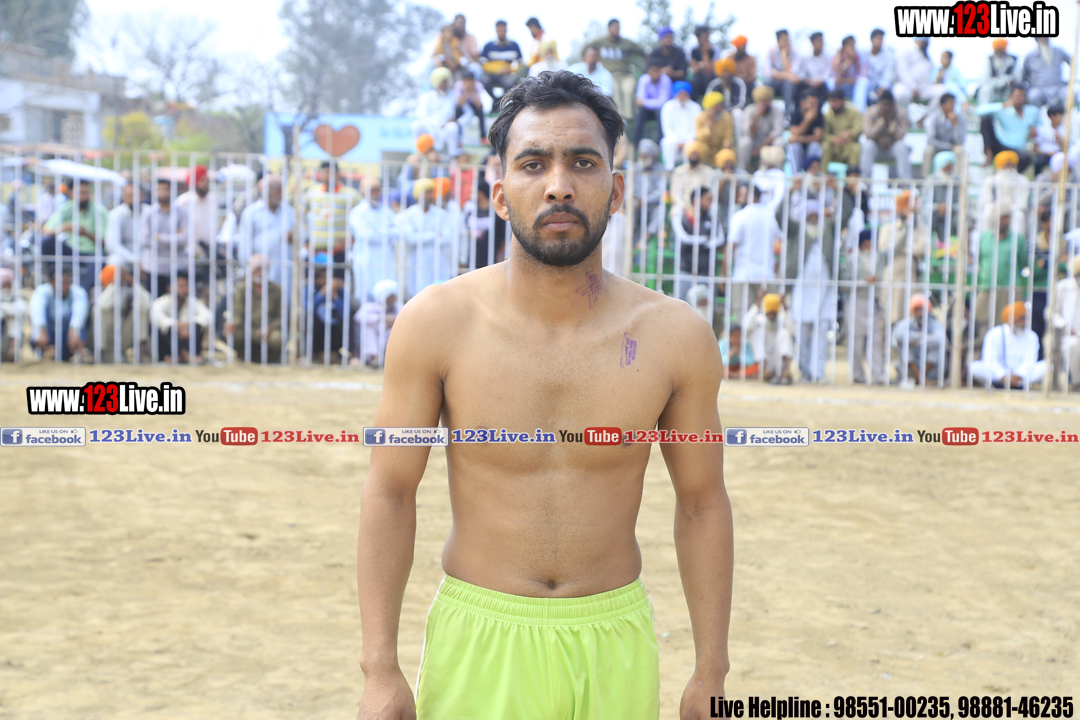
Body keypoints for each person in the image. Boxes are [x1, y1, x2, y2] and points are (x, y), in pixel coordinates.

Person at [356, 70, 732, 720]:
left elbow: (701, 503)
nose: (559, 184)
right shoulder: (436, 323)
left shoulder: (675, 337)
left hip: (613, 640)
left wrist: (711, 671)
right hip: (481, 638)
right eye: (534, 164)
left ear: (616, 191)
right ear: (501, 195)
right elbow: (390, 490)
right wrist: (379, 669)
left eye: (582, 162)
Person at [789, 200, 836, 382]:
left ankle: (818, 373)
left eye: (816, 214)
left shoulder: (828, 229)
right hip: (802, 290)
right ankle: (805, 372)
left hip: (824, 290)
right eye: (809, 214)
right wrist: (790, 192)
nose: (813, 218)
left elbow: (846, 214)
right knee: (801, 334)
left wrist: (840, 191)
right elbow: (779, 216)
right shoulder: (796, 231)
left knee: (822, 333)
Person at [974, 205, 1027, 355]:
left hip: (1011, 289)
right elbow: (979, 261)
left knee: (1013, 327)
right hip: (987, 288)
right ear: (994, 219)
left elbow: (1023, 264)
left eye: (1007, 217)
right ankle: (983, 357)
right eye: (1003, 217)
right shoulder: (984, 238)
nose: (1006, 221)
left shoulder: (1018, 239)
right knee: (982, 324)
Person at [726, 182, 783, 324]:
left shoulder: (740, 216)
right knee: (768, 320)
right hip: (767, 275)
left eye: (742, 195)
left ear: (752, 196)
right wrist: (777, 264)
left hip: (743, 275)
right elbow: (783, 242)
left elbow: (731, 246)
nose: (739, 198)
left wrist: (723, 273)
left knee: (742, 320)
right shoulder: (770, 215)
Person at [41, 180, 109, 292]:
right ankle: (54, 280)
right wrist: (62, 228)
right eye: (80, 193)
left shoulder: (99, 211)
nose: (83, 196)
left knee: (100, 260)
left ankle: (81, 292)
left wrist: (86, 234)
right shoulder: (66, 208)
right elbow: (45, 230)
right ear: (71, 193)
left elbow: (105, 242)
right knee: (46, 242)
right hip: (71, 250)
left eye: (85, 192)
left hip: (92, 252)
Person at [399, 177, 460, 298]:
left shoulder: (441, 214)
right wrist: (433, 234)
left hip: (438, 261)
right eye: (427, 192)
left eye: (431, 192)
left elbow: (446, 239)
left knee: (440, 295)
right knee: (417, 296)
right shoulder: (408, 215)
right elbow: (411, 239)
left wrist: (421, 236)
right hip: (416, 261)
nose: (430, 196)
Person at [238, 176, 295, 302]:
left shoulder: (290, 211)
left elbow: (302, 237)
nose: (281, 193)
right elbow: (244, 244)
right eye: (278, 190)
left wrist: (293, 236)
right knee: (264, 304)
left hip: (287, 268)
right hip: (262, 270)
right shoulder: (251, 212)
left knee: (286, 302)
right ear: (268, 192)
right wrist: (249, 266)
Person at [842, 228, 888, 384]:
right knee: (856, 342)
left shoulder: (880, 258)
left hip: (873, 302)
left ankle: (878, 375)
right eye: (866, 244)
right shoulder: (851, 260)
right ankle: (858, 374)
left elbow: (896, 248)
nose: (869, 247)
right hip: (856, 303)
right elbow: (844, 285)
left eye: (872, 244)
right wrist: (863, 282)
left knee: (876, 341)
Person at [875, 191, 927, 324]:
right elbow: (885, 247)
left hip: (912, 277)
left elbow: (922, 248)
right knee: (890, 315)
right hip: (892, 276)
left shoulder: (921, 229)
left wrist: (901, 248)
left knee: (910, 315)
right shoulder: (889, 228)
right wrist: (909, 246)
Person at [969, 302, 1046, 387]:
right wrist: (1002, 375)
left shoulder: (1031, 336)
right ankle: (1001, 383)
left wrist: (1019, 374)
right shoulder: (995, 333)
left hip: (1021, 376)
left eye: (1025, 318)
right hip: (999, 375)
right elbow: (989, 359)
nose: (1024, 322)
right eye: (1020, 318)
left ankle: (1017, 383)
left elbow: (1030, 361)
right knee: (974, 367)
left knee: (1046, 366)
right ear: (1010, 319)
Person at [224, 254, 282, 364]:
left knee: (276, 338)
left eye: (264, 269)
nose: (260, 272)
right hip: (247, 329)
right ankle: (244, 356)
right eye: (257, 269)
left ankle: (272, 358)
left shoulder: (277, 290)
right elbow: (237, 311)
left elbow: (282, 316)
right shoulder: (242, 289)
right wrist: (233, 323)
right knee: (234, 334)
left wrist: (270, 328)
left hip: (269, 330)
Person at [348, 178, 398, 302]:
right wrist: (387, 232)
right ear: (363, 191)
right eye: (372, 190)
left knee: (388, 292)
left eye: (377, 190)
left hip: (386, 257)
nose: (375, 194)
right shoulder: (357, 213)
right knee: (367, 293)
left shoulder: (387, 212)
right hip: (366, 258)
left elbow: (398, 233)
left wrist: (378, 231)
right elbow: (368, 236)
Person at [91, 264, 151, 364]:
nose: (121, 277)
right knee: (98, 310)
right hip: (108, 338)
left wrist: (133, 282)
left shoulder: (128, 291)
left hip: (124, 335)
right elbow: (103, 304)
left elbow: (147, 304)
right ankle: (100, 354)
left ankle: (139, 353)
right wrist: (114, 284)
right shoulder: (97, 291)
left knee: (141, 309)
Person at [141, 178, 191, 298]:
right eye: (158, 189)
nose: (162, 192)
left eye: (165, 189)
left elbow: (184, 239)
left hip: (177, 267)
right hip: (154, 267)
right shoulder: (148, 213)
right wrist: (174, 238)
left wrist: (159, 237)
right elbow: (145, 240)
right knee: (154, 302)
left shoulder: (182, 213)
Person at [590, 19, 647, 122]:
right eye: (614, 27)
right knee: (615, 89)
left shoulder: (627, 43)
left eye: (618, 27)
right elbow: (586, 48)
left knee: (628, 88)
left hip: (626, 74)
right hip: (610, 75)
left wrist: (647, 66)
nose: (617, 29)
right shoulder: (600, 42)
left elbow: (642, 52)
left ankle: (628, 118)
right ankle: (619, 117)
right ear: (608, 28)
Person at [30, 266, 88, 362]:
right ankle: (47, 351)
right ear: (51, 283)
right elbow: (37, 310)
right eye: (61, 283)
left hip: (69, 337)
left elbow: (79, 312)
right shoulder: (43, 290)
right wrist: (42, 330)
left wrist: (73, 330)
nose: (64, 286)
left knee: (77, 322)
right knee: (40, 321)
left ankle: (77, 352)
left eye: (67, 282)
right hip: (49, 335)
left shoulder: (77, 292)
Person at [976, 84, 1039, 172]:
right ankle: (988, 152)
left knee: (1027, 157)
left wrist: (1036, 128)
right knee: (985, 118)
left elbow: (1042, 124)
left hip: (1018, 149)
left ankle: (1014, 176)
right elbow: (979, 110)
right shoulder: (1004, 109)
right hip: (1000, 145)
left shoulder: (1032, 111)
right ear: (1011, 97)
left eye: (1023, 96)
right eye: (1018, 96)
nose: (1021, 99)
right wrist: (1004, 105)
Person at [150, 272, 209, 364]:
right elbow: (156, 317)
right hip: (167, 344)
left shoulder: (192, 301)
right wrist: (176, 325)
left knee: (197, 326)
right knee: (167, 328)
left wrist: (187, 325)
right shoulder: (161, 301)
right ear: (169, 288)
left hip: (187, 337)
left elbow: (207, 316)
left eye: (187, 285)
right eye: (180, 286)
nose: (185, 289)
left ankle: (181, 357)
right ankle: (185, 356)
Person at [892, 293, 947, 385]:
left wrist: (916, 341)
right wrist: (921, 336)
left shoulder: (935, 324)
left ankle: (918, 378)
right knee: (905, 347)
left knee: (937, 348)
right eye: (917, 309)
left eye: (923, 309)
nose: (920, 313)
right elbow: (898, 337)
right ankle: (920, 378)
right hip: (911, 367)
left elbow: (940, 339)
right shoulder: (906, 323)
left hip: (932, 370)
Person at [743, 292, 794, 383]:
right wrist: (758, 303)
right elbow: (745, 326)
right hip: (764, 361)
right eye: (769, 313)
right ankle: (764, 370)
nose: (771, 316)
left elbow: (794, 331)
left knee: (785, 333)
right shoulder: (759, 320)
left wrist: (785, 307)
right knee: (757, 333)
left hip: (778, 361)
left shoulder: (782, 321)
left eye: (774, 314)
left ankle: (786, 371)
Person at [860, 89, 912, 179]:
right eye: (884, 104)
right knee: (867, 146)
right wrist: (881, 122)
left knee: (902, 147)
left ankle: (905, 183)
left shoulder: (901, 112)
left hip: (893, 147)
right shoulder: (871, 112)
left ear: (893, 104)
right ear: (879, 103)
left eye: (889, 105)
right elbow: (868, 135)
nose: (887, 108)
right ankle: (865, 182)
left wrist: (892, 125)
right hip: (876, 147)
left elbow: (902, 136)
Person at [175, 165, 220, 266]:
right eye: (202, 180)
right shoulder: (183, 201)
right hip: (188, 251)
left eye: (207, 180)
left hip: (210, 251)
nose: (206, 183)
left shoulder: (213, 199)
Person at [416, 67, 464, 157]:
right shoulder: (427, 97)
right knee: (416, 125)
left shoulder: (454, 95)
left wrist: (458, 122)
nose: (444, 84)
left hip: (446, 128)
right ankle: (418, 154)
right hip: (429, 128)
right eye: (442, 81)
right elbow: (422, 115)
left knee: (453, 127)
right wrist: (435, 127)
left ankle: (452, 157)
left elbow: (468, 112)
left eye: (446, 81)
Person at [736, 85, 785, 172]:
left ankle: (777, 173)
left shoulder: (776, 110)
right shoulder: (749, 110)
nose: (767, 103)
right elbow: (747, 132)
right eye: (764, 101)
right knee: (744, 142)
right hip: (754, 143)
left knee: (779, 142)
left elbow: (777, 131)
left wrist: (760, 148)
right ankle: (742, 173)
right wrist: (757, 115)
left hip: (769, 143)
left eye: (769, 100)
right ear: (757, 102)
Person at [1050, 255, 1080, 389]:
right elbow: (1051, 313)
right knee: (1073, 345)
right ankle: (1077, 383)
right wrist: (1064, 325)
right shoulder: (1062, 286)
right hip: (1070, 335)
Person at [354, 278, 398, 368]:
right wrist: (381, 318)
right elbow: (358, 317)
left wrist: (394, 320)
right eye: (390, 296)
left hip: (390, 343)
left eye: (394, 295)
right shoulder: (369, 307)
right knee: (368, 327)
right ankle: (375, 359)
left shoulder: (398, 307)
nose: (393, 298)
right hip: (374, 342)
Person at [462, 179, 507, 268]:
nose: (470, 196)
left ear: (480, 193)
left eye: (472, 192)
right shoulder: (470, 214)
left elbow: (504, 239)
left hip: (491, 262)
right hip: (471, 262)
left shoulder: (497, 214)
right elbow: (463, 234)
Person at [979, 150, 1031, 227]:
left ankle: (1017, 235)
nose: (1009, 168)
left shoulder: (1023, 181)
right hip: (995, 208)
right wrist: (996, 208)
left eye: (1011, 165)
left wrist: (1011, 208)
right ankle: (986, 235)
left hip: (1013, 208)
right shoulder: (990, 181)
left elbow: (1022, 203)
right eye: (1006, 165)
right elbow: (986, 201)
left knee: (1019, 216)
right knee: (986, 215)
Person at [479, 20, 523, 111]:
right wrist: (499, 69)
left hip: (506, 74)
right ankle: (495, 100)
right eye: (499, 30)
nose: (501, 32)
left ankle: (500, 101)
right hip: (492, 74)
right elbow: (484, 65)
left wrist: (510, 70)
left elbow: (520, 64)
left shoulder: (514, 45)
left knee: (511, 83)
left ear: (506, 30)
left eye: (503, 30)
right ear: (496, 30)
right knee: (484, 81)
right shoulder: (488, 46)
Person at [921, 92, 966, 177]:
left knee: (960, 150)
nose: (953, 105)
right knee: (928, 150)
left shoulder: (960, 118)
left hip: (954, 148)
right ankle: (925, 178)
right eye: (950, 103)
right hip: (938, 147)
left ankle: (960, 179)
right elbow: (930, 140)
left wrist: (955, 124)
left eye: (954, 102)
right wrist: (948, 146)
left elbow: (960, 141)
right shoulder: (934, 118)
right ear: (943, 105)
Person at [893, 37, 944, 111]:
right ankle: (902, 116)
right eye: (926, 41)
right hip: (906, 86)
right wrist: (913, 87)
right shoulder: (906, 50)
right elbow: (902, 70)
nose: (928, 43)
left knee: (942, 91)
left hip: (924, 88)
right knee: (900, 94)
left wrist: (937, 78)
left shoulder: (926, 55)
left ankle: (928, 116)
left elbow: (932, 74)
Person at [660, 81, 701, 171]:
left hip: (689, 139)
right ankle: (669, 170)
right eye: (680, 93)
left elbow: (695, 129)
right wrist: (677, 141)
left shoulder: (696, 107)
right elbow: (666, 129)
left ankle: (688, 170)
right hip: (672, 138)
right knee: (668, 142)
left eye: (684, 93)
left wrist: (685, 140)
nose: (682, 96)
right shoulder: (667, 106)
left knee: (691, 144)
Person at [1022, 37, 1070, 108]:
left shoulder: (1058, 51)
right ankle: (1036, 115)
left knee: (1070, 94)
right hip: (1038, 88)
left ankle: (1067, 115)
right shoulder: (1029, 56)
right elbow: (1024, 76)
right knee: (1033, 96)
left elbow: (1073, 62)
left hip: (1058, 87)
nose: (1044, 38)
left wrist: (1071, 79)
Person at [822, 88, 863, 170]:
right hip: (834, 146)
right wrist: (833, 138)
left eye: (835, 101)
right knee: (825, 146)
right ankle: (823, 175)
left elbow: (859, 128)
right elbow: (824, 133)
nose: (833, 104)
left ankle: (852, 176)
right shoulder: (828, 115)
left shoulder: (854, 113)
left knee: (856, 148)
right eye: (831, 101)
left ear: (843, 100)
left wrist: (849, 133)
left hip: (849, 143)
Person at [633, 60, 672, 147]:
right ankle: (636, 144)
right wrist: (647, 103)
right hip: (648, 111)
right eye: (653, 71)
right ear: (648, 71)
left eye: (658, 71)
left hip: (662, 111)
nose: (656, 74)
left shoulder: (666, 80)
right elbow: (639, 102)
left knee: (660, 111)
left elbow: (662, 103)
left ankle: (660, 143)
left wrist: (645, 102)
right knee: (641, 113)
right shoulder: (643, 79)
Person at [105, 183, 143, 268]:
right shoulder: (116, 214)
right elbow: (113, 245)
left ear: (142, 195)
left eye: (136, 195)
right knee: (113, 262)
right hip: (126, 258)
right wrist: (135, 260)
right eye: (129, 195)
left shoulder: (149, 212)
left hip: (148, 258)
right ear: (123, 197)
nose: (133, 199)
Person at [765, 29, 801, 118]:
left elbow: (793, 73)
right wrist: (787, 75)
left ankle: (787, 114)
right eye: (785, 40)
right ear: (778, 41)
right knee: (767, 81)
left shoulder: (795, 52)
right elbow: (768, 72)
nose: (787, 42)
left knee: (789, 84)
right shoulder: (770, 51)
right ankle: (767, 112)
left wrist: (784, 55)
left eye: (788, 40)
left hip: (787, 86)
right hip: (774, 84)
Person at [787, 92, 825, 177]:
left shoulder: (819, 115)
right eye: (811, 103)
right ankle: (796, 178)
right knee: (794, 147)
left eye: (816, 103)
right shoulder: (795, 113)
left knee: (814, 145)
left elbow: (818, 137)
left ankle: (812, 177)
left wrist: (800, 139)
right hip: (799, 148)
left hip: (810, 147)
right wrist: (807, 120)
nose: (814, 106)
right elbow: (795, 133)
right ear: (802, 104)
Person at [696, 91, 735, 168]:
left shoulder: (727, 117)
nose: (720, 108)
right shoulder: (700, 117)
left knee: (727, 152)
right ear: (710, 106)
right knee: (698, 148)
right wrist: (709, 124)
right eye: (717, 105)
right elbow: (700, 138)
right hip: (706, 148)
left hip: (720, 147)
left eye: (720, 105)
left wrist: (727, 143)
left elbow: (728, 135)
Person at [669, 140, 713, 209]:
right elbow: (675, 194)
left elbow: (708, 192)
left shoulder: (708, 171)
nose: (694, 156)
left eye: (696, 154)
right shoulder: (678, 171)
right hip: (682, 208)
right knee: (677, 213)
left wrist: (698, 207)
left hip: (702, 207)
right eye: (692, 153)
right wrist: (684, 207)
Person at [978, 39, 1021, 105]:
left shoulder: (1012, 60)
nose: (999, 52)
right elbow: (985, 79)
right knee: (986, 89)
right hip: (992, 89)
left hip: (1007, 89)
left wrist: (1005, 81)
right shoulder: (988, 60)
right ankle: (985, 111)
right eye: (998, 49)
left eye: (1001, 49)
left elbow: (1016, 78)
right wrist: (1001, 82)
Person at [799, 32, 832, 108]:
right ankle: (800, 111)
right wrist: (810, 81)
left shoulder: (827, 56)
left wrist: (818, 81)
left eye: (822, 41)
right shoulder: (805, 56)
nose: (821, 43)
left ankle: (818, 111)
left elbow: (827, 75)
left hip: (820, 84)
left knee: (824, 87)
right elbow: (801, 74)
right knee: (799, 87)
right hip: (807, 83)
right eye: (819, 41)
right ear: (812, 42)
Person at [0, 268, 27, 361]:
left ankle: (14, 348)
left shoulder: (16, 296)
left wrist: (4, 308)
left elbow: (21, 309)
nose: (7, 287)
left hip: (9, 335)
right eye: (4, 283)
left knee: (14, 318)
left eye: (9, 283)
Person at [1034, 104, 1068, 175]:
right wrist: (1048, 153)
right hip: (1044, 154)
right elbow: (1035, 148)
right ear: (1052, 117)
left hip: (1058, 154)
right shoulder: (1042, 129)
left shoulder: (1064, 130)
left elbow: (1065, 149)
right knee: (1039, 162)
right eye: (1060, 115)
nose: (1061, 118)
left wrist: (1060, 140)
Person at [453, 70, 487, 140]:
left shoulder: (479, 86)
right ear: (463, 81)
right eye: (466, 80)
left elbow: (479, 105)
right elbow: (459, 103)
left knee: (480, 112)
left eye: (470, 80)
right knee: (457, 109)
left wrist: (472, 91)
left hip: (474, 105)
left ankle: (483, 136)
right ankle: (457, 135)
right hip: (463, 105)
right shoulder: (458, 85)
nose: (468, 83)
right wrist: (466, 91)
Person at [866, 28, 896, 107]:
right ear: (872, 40)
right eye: (878, 39)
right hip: (867, 88)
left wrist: (881, 89)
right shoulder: (864, 54)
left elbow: (887, 76)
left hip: (882, 89)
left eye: (882, 39)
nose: (881, 41)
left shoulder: (888, 55)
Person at [689, 25, 717, 101]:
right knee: (695, 80)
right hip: (698, 78)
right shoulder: (693, 51)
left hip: (711, 77)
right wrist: (700, 66)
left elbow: (709, 70)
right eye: (704, 37)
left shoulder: (714, 50)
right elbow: (694, 69)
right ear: (698, 38)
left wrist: (705, 53)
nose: (707, 40)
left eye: (707, 37)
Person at [832, 35, 865, 102]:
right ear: (844, 47)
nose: (853, 47)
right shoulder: (838, 56)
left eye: (854, 44)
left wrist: (844, 80)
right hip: (842, 86)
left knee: (863, 82)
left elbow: (863, 76)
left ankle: (859, 107)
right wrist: (848, 61)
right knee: (831, 82)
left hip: (854, 86)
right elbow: (837, 76)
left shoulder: (859, 56)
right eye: (850, 44)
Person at [451, 14, 482, 78]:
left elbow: (475, 56)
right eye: (460, 23)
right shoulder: (447, 37)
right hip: (450, 63)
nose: (462, 25)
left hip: (467, 64)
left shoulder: (471, 37)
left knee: (476, 68)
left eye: (463, 23)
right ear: (454, 24)